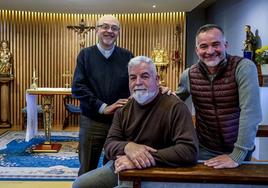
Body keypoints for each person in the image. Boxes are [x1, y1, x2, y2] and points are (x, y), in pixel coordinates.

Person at [72, 56, 199, 188]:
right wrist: (128, 147)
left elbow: (189, 151)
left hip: (161, 168)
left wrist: (142, 158)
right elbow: (109, 145)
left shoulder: (175, 107)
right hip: (124, 166)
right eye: (133, 78)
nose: (138, 82)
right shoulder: (124, 109)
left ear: (157, 80)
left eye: (144, 76)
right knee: (80, 185)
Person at [176, 24, 262, 169]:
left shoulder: (244, 67)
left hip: (238, 150)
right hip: (204, 148)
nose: (210, 51)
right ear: (197, 50)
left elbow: (251, 112)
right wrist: (157, 93)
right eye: (203, 46)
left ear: (225, 45)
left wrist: (237, 155)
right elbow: (174, 101)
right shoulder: (188, 75)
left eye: (216, 44)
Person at [72, 14, 134, 176]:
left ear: (119, 32)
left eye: (114, 28)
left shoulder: (127, 56)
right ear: (97, 30)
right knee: (87, 168)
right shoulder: (85, 55)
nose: (109, 31)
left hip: (120, 123)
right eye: (105, 27)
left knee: (115, 169)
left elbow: (135, 84)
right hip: (92, 121)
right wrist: (103, 107)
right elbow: (78, 87)